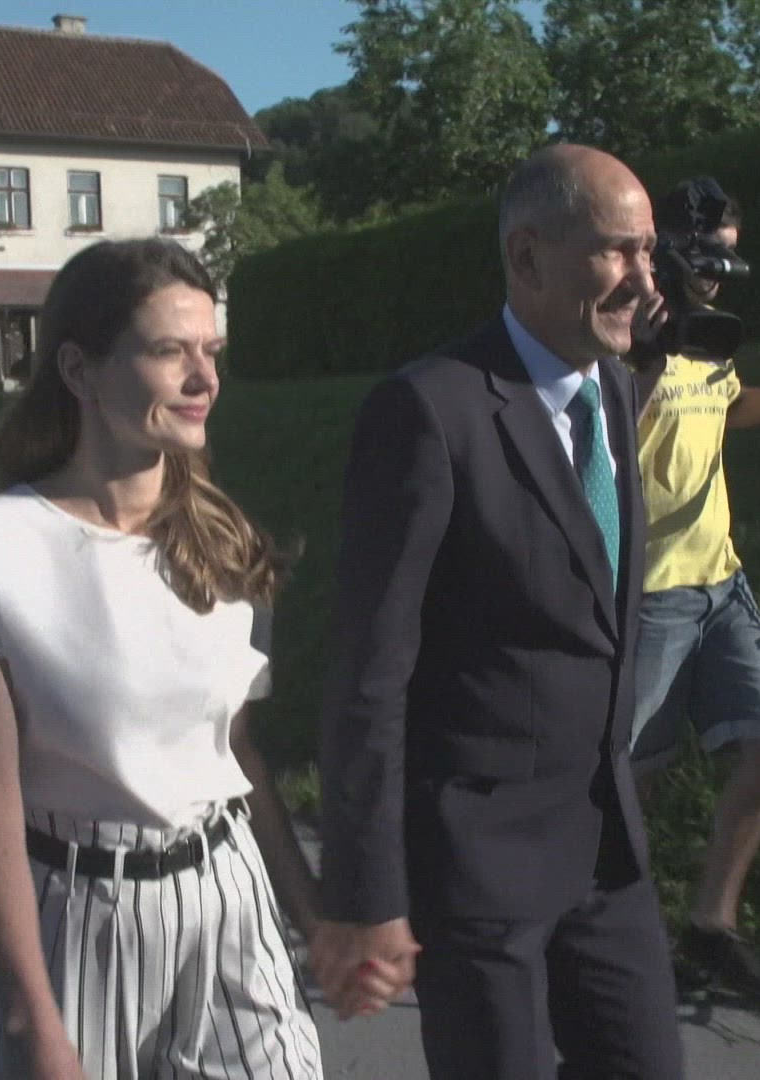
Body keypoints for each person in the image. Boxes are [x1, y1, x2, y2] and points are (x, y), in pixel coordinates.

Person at [0, 239, 323, 1080]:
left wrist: (311, 913)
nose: (204, 378)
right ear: (80, 370)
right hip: (79, 918)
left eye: (212, 351)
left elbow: (236, 751)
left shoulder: (222, 544)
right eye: (170, 352)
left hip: (229, 899)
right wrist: (31, 1021)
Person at [310, 144, 685, 1079]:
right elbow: (369, 673)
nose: (645, 280)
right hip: (480, 867)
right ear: (527, 257)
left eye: (648, 251)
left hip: (605, 852)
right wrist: (367, 894)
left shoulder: (614, 387)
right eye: (617, 251)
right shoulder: (429, 411)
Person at [624, 179, 760, 999]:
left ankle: (711, 928)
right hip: (647, 592)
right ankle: (613, 935)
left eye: (728, 258)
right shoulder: (630, 334)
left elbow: (720, 406)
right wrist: (647, 353)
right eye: (708, 257)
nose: (718, 274)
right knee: (629, 781)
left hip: (720, 580)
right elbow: (600, 433)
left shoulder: (711, 339)